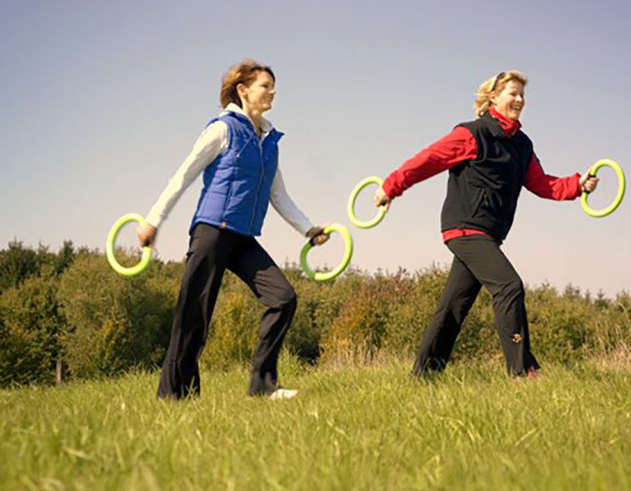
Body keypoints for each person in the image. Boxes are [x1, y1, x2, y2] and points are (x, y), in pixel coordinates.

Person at [374, 70, 599, 378]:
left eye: (522, 95)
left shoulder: (521, 145)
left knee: (453, 306)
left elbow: (542, 184)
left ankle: (424, 375)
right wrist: (391, 186)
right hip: (465, 227)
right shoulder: (473, 133)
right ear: (494, 97)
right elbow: (428, 160)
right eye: (512, 93)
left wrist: (578, 185)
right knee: (508, 286)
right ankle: (523, 371)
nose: (519, 100)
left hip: (489, 234)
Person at [137, 59, 328, 399]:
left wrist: (309, 231)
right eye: (264, 86)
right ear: (243, 91)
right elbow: (183, 175)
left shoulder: (269, 140)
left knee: (283, 298)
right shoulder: (222, 129)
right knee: (194, 315)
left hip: (243, 237)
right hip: (212, 230)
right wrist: (153, 219)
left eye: (273, 86)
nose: (272, 91)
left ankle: (263, 385)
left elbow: (278, 194)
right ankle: (173, 396)